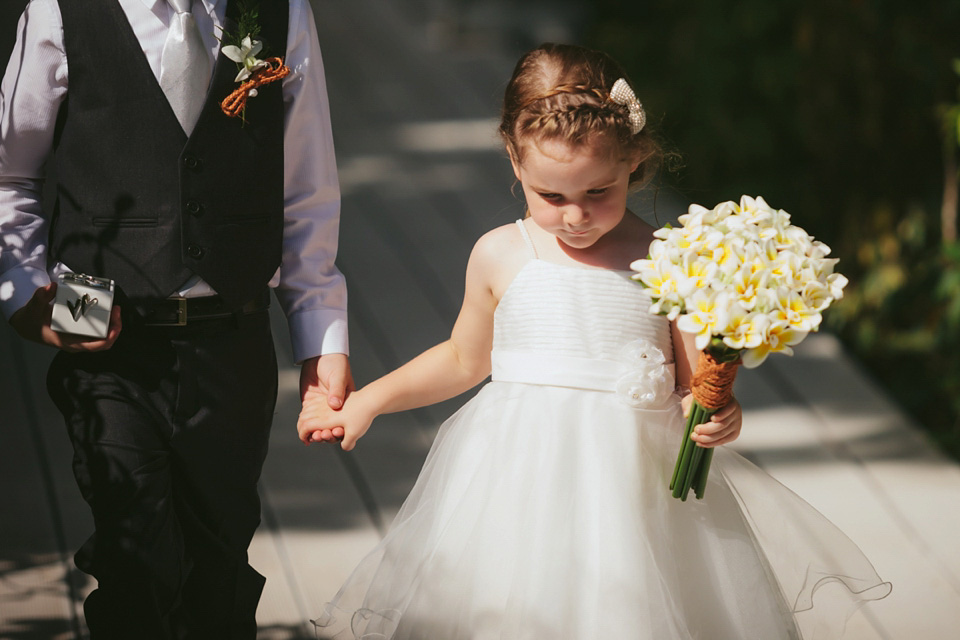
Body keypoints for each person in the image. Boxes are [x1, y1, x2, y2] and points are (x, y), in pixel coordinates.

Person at [297, 43, 890, 639]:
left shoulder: (668, 259)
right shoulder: (501, 253)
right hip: (516, 484)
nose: (575, 216)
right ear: (515, 158)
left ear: (633, 158)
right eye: (552, 197)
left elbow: (692, 385)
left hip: (632, 496)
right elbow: (461, 358)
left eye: (598, 192)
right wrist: (368, 401)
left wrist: (715, 414)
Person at [0, 0, 351, 637]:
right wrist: (32, 296)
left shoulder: (279, 13)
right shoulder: (60, 13)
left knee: (218, 568)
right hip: (106, 333)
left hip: (233, 339)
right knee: (135, 561)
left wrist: (319, 328)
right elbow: (9, 173)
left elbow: (306, 185)